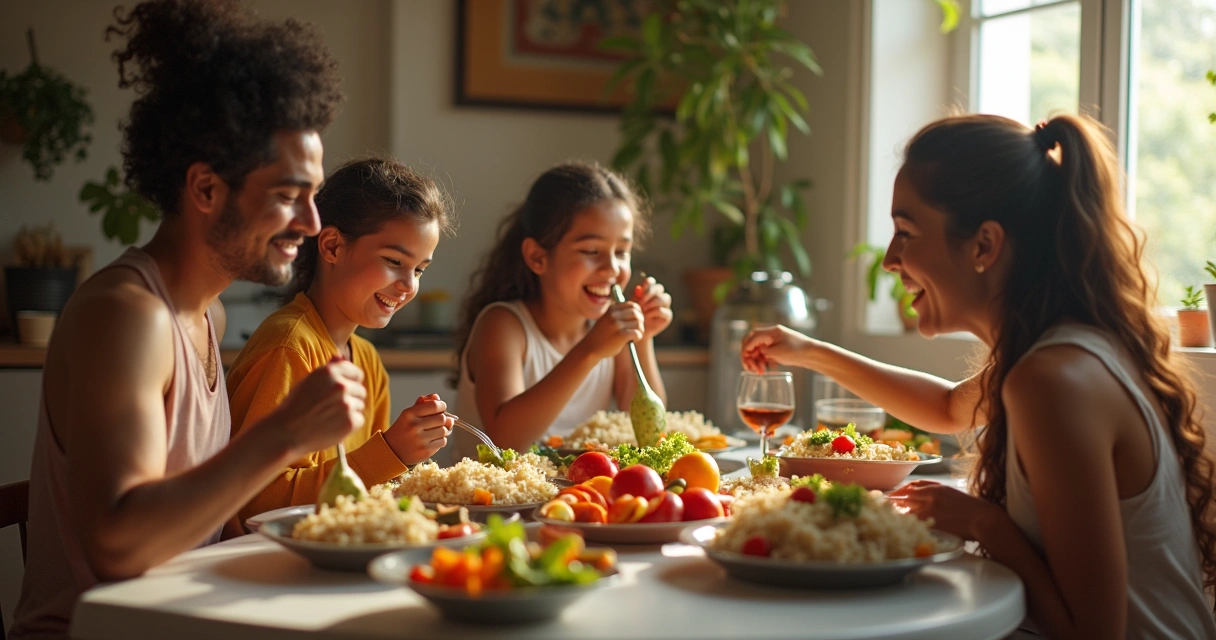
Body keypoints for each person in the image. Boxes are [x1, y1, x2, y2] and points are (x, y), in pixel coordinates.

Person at [741, 113, 1216, 638]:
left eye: (906, 232)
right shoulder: (1056, 352)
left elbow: (1093, 633)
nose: (890, 261)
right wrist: (809, 352)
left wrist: (984, 523)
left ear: (984, 246)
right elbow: (946, 408)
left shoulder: (1052, 380)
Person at [11, 2, 360, 637]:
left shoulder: (208, 314)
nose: (311, 224)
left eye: (312, 196)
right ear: (205, 190)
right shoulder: (126, 317)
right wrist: (283, 433)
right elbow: (119, 545)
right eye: (288, 196)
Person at [226, 157, 457, 527]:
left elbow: (374, 493)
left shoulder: (366, 361)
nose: (409, 286)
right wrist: (390, 452)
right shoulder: (289, 347)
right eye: (394, 260)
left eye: (419, 270)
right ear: (332, 246)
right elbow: (256, 507)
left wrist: (403, 460)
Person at [451, 161, 672, 460]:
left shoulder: (607, 331)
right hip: (491, 503)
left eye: (621, 251)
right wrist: (589, 351)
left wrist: (643, 339)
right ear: (537, 257)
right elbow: (504, 443)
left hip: (573, 501)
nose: (612, 268)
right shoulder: (503, 325)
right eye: (591, 251)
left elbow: (651, 434)